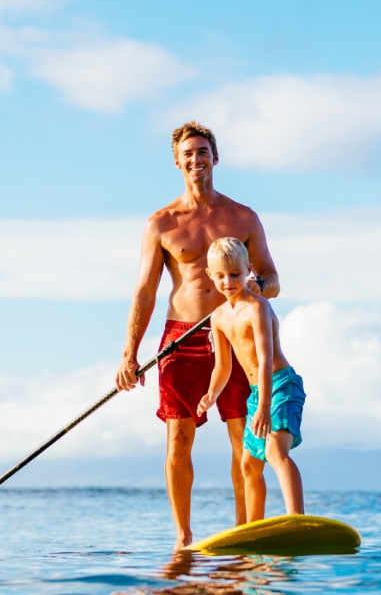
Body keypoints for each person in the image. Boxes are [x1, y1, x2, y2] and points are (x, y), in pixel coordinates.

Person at [115, 121, 281, 550]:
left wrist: (251, 289)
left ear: (215, 158)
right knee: (179, 437)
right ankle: (184, 537)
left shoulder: (243, 217)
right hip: (180, 338)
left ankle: (246, 531)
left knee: (243, 434)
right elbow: (145, 291)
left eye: (203, 151)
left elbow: (272, 278)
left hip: (235, 333)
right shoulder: (162, 223)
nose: (196, 159)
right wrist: (129, 354)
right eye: (188, 153)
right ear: (177, 162)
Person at [197, 238, 305, 522]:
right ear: (210, 275)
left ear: (249, 270)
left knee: (274, 451)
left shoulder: (257, 308)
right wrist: (211, 394)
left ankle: (296, 519)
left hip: (280, 385)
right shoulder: (218, 317)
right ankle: (253, 528)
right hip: (258, 393)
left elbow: (266, 359)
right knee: (248, 465)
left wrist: (264, 407)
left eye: (235, 274)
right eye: (220, 275)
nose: (228, 281)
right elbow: (223, 366)